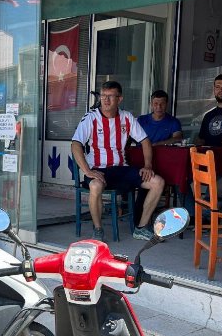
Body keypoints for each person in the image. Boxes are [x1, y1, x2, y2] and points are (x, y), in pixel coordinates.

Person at [71, 81, 165, 241]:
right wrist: (87, 171)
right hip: (99, 169)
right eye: (103, 96)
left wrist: (148, 165)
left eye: (110, 96)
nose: (105, 100)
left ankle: (141, 228)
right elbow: (76, 144)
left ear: (119, 99)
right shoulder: (91, 117)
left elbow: (145, 141)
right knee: (95, 185)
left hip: (122, 169)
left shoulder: (126, 117)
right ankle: (98, 230)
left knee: (158, 182)